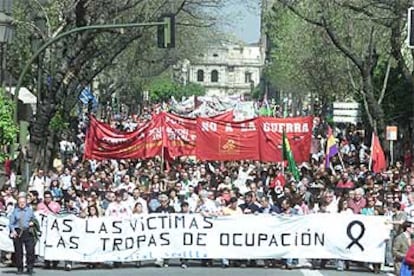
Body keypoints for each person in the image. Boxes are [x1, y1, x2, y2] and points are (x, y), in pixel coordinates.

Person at [9, 193, 36, 275]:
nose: (22, 204)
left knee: (30, 251)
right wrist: (13, 231)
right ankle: (19, 268)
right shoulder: (15, 211)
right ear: (18, 203)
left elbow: (35, 220)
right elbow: (11, 223)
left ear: (26, 202)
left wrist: (33, 222)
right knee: (18, 252)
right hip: (18, 232)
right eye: (20, 202)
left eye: (23, 202)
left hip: (28, 231)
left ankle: (29, 267)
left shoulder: (30, 211)